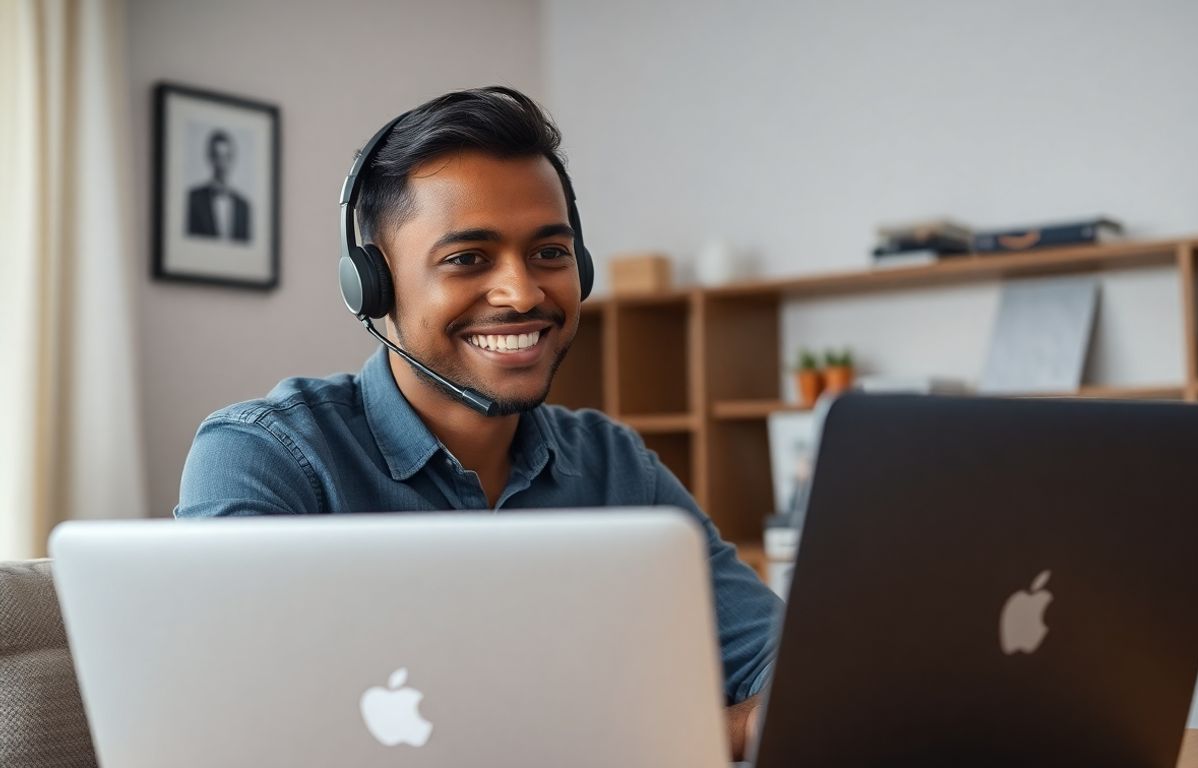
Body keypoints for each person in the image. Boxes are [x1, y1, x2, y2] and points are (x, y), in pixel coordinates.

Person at [176, 86, 779, 759]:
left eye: (550, 253)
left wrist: (717, 727)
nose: (523, 292)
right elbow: (230, 727)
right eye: (467, 259)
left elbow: (784, 662)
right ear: (373, 286)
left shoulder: (614, 465)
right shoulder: (267, 457)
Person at [186, 129, 251, 241]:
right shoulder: (193, 199)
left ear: (232, 160)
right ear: (210, 158)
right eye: (217, 156)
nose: (222, 164)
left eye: (227, 157)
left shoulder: (244, 206)